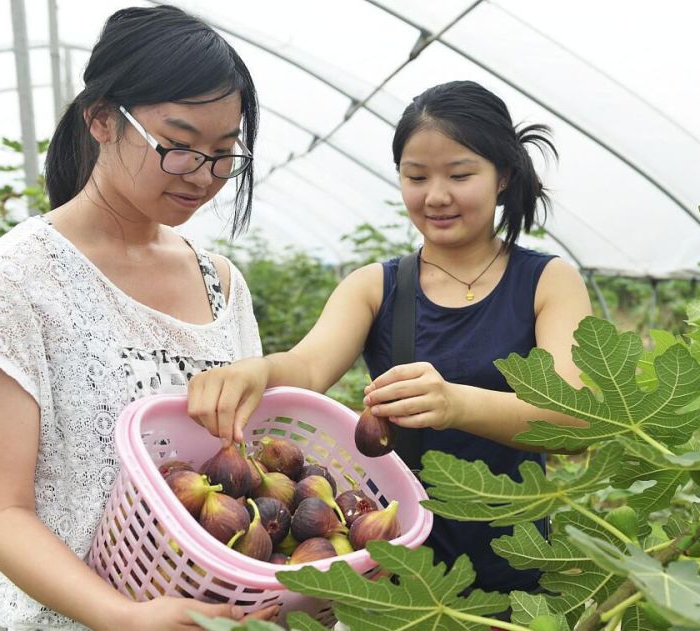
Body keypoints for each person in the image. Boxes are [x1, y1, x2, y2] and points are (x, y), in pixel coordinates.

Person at [187, 80, 593, 601]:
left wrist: (456, 404)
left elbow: (576, 419)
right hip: (394, 570)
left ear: (504, 176)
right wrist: (258, 371)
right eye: (416, 176)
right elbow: (309, 366)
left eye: (460, 174)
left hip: (516, 567)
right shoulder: (376, 286)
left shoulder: (549, 282)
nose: (436, 195)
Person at [0, 6, 278, 629]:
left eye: (224, 152)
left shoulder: (222, 284)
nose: (204, 175)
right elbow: (1, 515)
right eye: (178, 146)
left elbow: (239, 464)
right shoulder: (16, 281)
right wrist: (124, 616)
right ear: (101, 119)